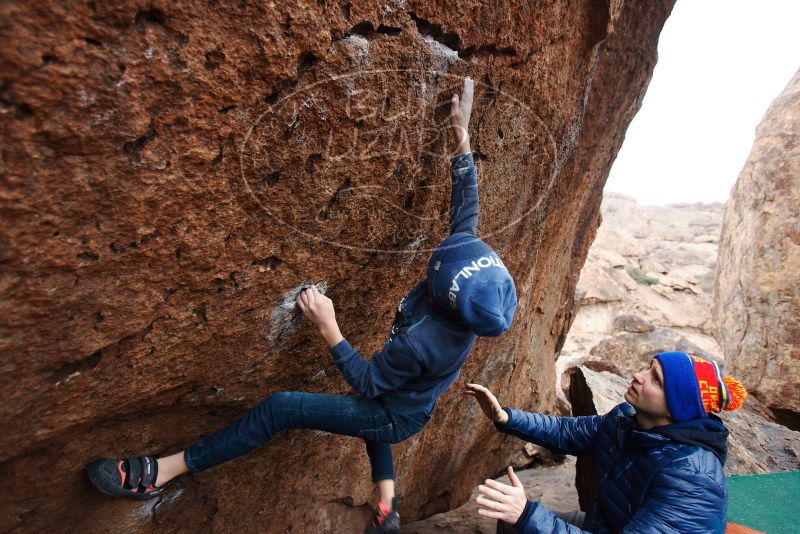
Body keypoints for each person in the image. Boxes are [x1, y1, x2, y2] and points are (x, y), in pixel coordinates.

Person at [86, 77, 518, 533]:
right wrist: (461, 132)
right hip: (409, 400)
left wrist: (327, 325)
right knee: (377, 408)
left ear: (444, 302)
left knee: (285, 407)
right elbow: (465, 210)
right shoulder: (472, 290)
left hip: (395, 413)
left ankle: (162, 471)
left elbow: (370, 383)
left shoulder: (426, 343)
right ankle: (387, 503)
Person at [466, 351, 747, 533]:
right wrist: (506, 417)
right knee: (511, 523)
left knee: (521, 519)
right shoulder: (629, 421)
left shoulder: (692, 478)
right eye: (648, 368)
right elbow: (568, 432)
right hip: (608, 524)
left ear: (677, 407)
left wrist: (527, 513)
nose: (638, 376)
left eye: (656, 380)